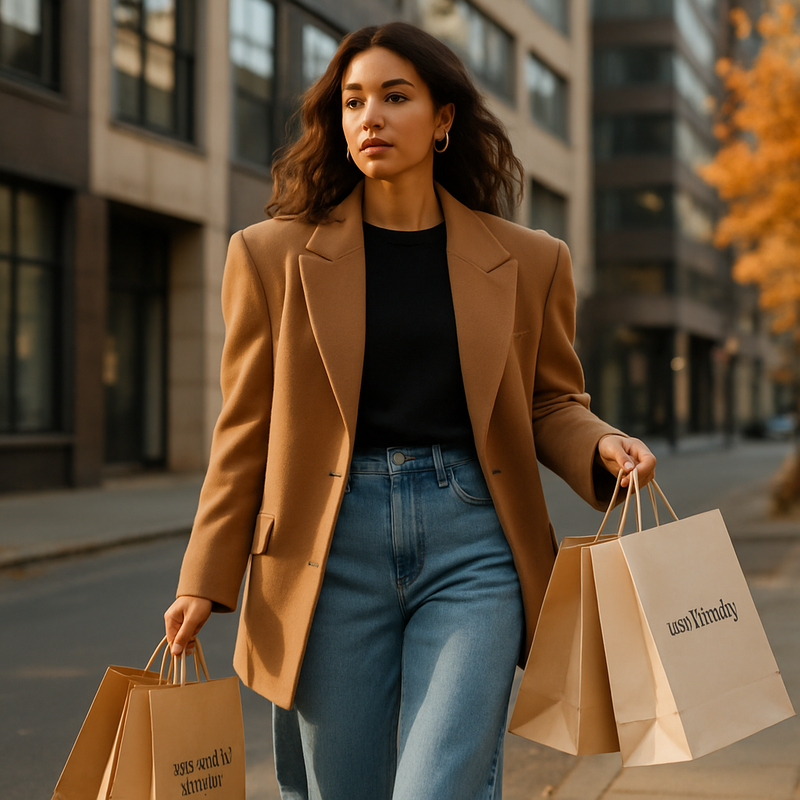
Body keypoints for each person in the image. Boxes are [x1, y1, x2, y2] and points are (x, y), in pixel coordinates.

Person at [164, 21, 656, 800]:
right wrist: (204, 576)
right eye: (354, 101)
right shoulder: (269, 256)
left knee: (441, 787)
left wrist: (601, 444)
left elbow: (551, 399)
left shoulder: (529, 259)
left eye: (396, 97)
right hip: (327, 547)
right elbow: (245, 430)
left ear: (444, 119)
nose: (371, 117)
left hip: (475, 541)